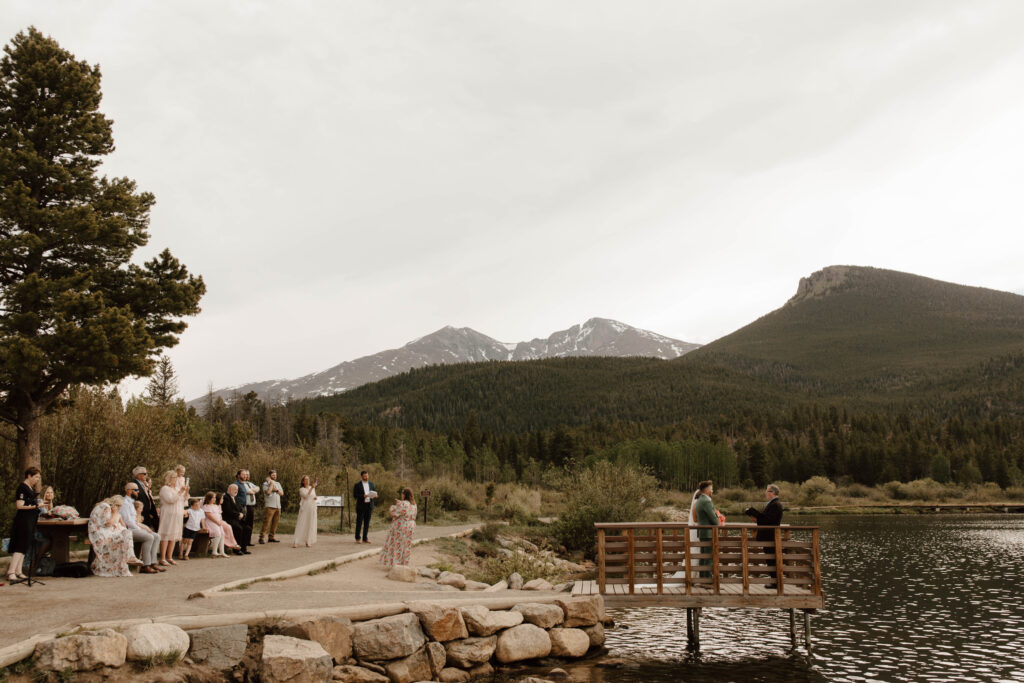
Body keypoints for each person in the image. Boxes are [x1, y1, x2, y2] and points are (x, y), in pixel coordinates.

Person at [746, 483, 784, 589]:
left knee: (772, 559)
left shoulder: (775, 504)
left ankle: (775, 583)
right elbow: (767, 519)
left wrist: (757, 518)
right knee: (770, 559)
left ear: (772, 493)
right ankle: (774, 582)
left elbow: (770, 521)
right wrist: (757, 519)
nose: (765, 493)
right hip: (769, 535)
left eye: (767, 491)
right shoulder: (772, 503)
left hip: (770, 536)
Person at [7, 467, 42, 582]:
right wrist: (36, 506)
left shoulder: (30, 488)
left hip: (30, 520)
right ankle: (11, 571)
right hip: (23, 520)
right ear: (29, 476)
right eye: (36, 477)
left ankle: (18, 571)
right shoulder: (22, 488)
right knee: (20, 545)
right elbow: (19, 505)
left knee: (25, 545)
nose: (37, 479)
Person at [88, 496, 135, 577]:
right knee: (125, 535)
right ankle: (128, 558)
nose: (120, 509)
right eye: (120, 506)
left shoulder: (104, 506)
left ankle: (129, 557)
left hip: (100, 532)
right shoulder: (106, 507)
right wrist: (115, 513)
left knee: (126, 533)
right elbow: (108, 523)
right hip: (99, 535)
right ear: (117, 505)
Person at [121, 482, 163, 574]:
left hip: (134, 527)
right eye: (136, 490)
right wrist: (140, 529)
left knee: (156, 536)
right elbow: (128, 521)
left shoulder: (131, 503)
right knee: (149, 537)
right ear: (129, 491)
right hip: (127, 530)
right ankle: (145, 565)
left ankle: (153, 562)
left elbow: (135, 521)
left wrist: (144, 527)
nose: (138, 492)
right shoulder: (124, 503)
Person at [380, 488, 417, 568]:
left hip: (402, 526)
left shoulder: (403, 504)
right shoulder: (414, 504)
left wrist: (391, 507)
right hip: (411, 525)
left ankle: (396, 564)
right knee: (406, 545)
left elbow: (394, 513)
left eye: (402, 494)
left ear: (404, 494)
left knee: (397, 544)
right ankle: (404, 563)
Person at [157, 470, 187, 566]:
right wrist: (180, 492)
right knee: (166, 535)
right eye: (174, 477)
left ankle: (169, 557)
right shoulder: (165, 489)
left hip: (177, 514)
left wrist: (186, 491)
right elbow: (170, 500)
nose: (176, 479)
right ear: (169, 478)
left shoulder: (176, 488)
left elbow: (184, 500)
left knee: (173, 536)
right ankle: (162, 558)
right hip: (168, 514)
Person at [693, 480, 720, 578]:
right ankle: (707, 580)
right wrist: (719, 520)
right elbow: (713, 519)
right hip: (708, 533)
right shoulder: (706, 501)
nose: (713, 491)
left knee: (703, 556)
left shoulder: (700, 500)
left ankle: (703, 578)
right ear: (707, 491)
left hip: (703, 532)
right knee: (708, 557)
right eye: (712, 489)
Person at [222, 484, 251, 554]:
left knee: (248, 528)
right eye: (235, 489)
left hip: (237, 519)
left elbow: (240, 508)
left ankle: (244, 548)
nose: (236, 491)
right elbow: (228, 510)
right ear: (229, 490)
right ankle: (237, 549)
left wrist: (241, 514)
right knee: (239, 528)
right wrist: (238, 514)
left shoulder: (235, 498)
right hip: (229, 519)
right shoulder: (226, 498)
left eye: (237, 489)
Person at [201, 492, 231, 558]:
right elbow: (209, 516)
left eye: (215, 497)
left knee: (222, 534)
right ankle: (214, 551)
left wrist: (219, 521)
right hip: (210, 522)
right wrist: (217, 521)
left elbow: (219, 515)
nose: (215, 499)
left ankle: (222, 551)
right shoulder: (206, 506)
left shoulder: (215, 506)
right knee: (218, 534)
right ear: (209, 499)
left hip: (217, 522)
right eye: (213, 497)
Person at [234, 470, 259, 547]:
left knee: (250, 524)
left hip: (250, 506)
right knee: (244, 524)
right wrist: (252, 491)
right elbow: (249, 492)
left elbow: (257, 488)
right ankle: (241, 542)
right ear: (238, 475)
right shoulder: (237, 484)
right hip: (242, 506)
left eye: (246, 474)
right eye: (244, 474)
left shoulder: (248, 483)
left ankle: (247, 540)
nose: (246, 476)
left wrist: (253, 490)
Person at [293, 475, 318, 548]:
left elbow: (314, 496)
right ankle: (296, 541)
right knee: (302, 523)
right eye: (305, 480)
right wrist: (312, 488)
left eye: (308, 479)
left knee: (310, 524)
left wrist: (315, 497)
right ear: (303, 481)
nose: (307, 481)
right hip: (305, 508)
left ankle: (308, 541)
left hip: (312, 507)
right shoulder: (301, 489)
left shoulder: (312, 488)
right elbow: (306, 496)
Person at [353, 470, 376, 544]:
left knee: (367, 523)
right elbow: (355, 495)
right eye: (365, 476)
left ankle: (365, 538)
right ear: (362, 476)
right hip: (361, 506)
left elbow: (374, 492)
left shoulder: (371, 484)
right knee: (359, 522)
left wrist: (375, 495)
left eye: (367, 476)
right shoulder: (357, 485)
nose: (366, 477)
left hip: (369, 505)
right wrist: (363, 496)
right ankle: (357, 538)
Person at [260, 469, 283, 544]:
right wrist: (271, 484)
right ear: (269, 476)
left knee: (275, 523)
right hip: (270, 505)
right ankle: (261, 537)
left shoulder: (278, 483)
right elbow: (268, 492)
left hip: (278, 506)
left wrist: (275, 490)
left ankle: (271, 537)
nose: (274, 476)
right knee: (267, 522)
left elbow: (281, 493)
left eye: (275, 475)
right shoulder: (265, 484)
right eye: (273, 475)